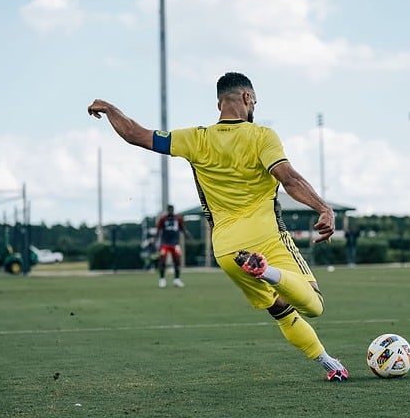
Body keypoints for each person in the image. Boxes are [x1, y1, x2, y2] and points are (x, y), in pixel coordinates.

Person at [88, 72, 349, 381]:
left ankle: (328, 364)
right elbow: (288, 177)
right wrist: (323, 208)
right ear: (247, 98)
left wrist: (111, 109)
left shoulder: (195, 139)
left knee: (280, 310)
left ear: (218, 104)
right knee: (314, 305)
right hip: (266, 237)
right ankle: (269, 271)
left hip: (227, 250)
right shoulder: (262, 136)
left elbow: (136, 134)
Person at [155, 205, 188, 288]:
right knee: (162, 260)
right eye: (169, 210)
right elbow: (158, 230)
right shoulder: (163, 219)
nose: (170, 211)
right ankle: (162, 280)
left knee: (177, 261)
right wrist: (156, 240)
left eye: (171, 210)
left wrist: (187, 235)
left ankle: (177, 280)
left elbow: (182, 228)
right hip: (165, 243)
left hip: (175, 243)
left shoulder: (178, 218)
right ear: (167, 210)